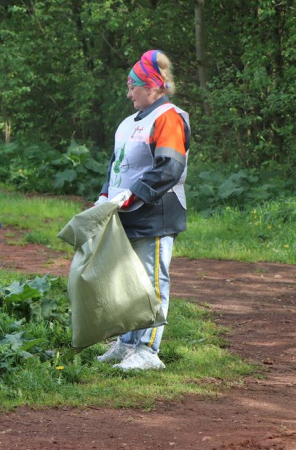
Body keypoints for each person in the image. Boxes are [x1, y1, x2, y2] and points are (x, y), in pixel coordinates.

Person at [95, 50, 191, 371]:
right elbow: (117, 165)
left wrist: (132, 195)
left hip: (157, 214)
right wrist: (105, 196)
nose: (128, 93)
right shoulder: (127, 123)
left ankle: (149, 349)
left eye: (132, 86)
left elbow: (169, 168)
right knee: (129, 281)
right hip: (127, 213)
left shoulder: (169, 118)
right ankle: (127, 344)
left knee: (151, 282)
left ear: (151, 87)